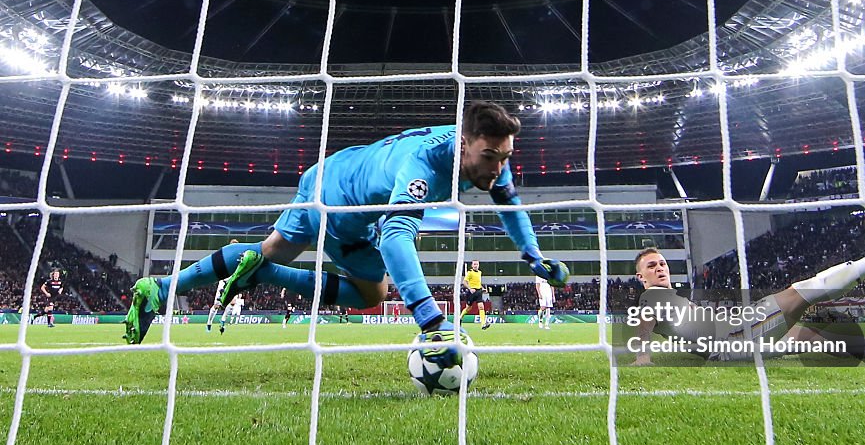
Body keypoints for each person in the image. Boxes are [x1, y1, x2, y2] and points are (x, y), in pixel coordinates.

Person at [123, 102, 570, 361]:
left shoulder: (480, 152)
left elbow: (510, 205)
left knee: (272, 249)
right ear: (467, 144)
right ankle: (261, 273)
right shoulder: (422, 171)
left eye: (505, 157)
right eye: (492, 156)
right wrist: (432, 324)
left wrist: (533, 255)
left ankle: (161, 288)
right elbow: (397, 238)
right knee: (372, 293)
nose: (499, 167)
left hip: (328, 171)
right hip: (344, 205)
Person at [628, 214, 865, 364]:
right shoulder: (651, 296)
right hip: (735, 336)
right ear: (642, 277)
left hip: (733, 335)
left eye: (662, 263)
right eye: (652, 266)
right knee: (802, 291)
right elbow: (645, 320)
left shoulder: (669, 297)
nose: (660, 267)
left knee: (809, 335)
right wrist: (643, 356)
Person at [207, 239, 240, 333]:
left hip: (233, 282)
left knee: (232, 303)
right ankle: (209, 322)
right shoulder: (224, 255)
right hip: (224, 282)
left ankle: (223, 320)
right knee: (217, 306)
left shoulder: (240, 257)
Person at [458, 260, 490, 329]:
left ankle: (483, 323)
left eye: (477, 264)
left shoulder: (480, 273)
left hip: (478, 292)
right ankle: (460, 318)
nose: (476, 265)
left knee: (481, 307)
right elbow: (464, 282)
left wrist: (483, 288)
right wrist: (470, 288)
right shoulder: (470, 273)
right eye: (474, 264)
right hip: (471, 292)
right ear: (472, 265)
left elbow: (478, 283)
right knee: (468, 308)